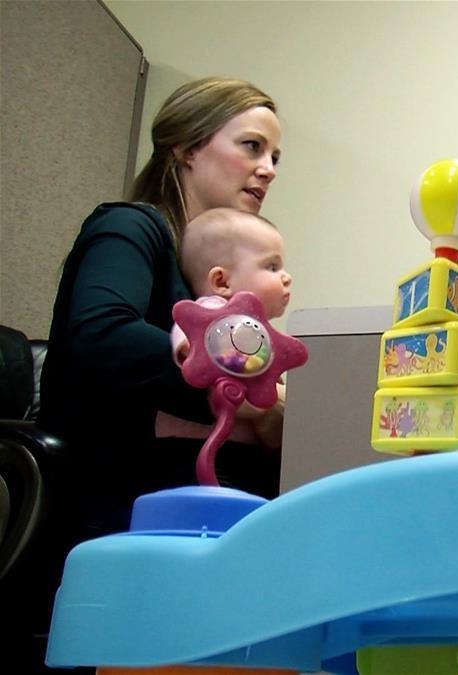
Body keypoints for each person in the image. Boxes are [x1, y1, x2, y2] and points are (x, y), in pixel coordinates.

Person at [22, 77, 284, 671]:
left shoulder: (220, 274)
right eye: (251, 146)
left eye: (274, 157)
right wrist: (244, 398)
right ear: (188, 148)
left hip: (198, 518)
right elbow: (101, 335)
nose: (267, 168)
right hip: (120, 504)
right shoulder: (131, 226)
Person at [163, 207, 293, 445]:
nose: (287, 277)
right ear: (222, 281)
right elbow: (200, 355)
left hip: (235, 452)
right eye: (272, 267)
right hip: (198, 453)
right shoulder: (208, 315)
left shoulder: (258, 333)